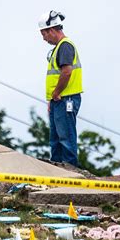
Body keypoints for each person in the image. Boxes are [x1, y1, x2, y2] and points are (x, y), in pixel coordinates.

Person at [38, 10, 83, 166]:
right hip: (58, 100)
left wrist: (56, 93)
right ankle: (56, 172)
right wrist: (52, 98)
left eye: (44, 34)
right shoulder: (59, 47)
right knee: (56, 139)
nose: (43, 38)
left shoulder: (65, 46)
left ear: (51, 30)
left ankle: (71, 174)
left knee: (66, 138)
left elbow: (66, 72)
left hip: (66, 98)